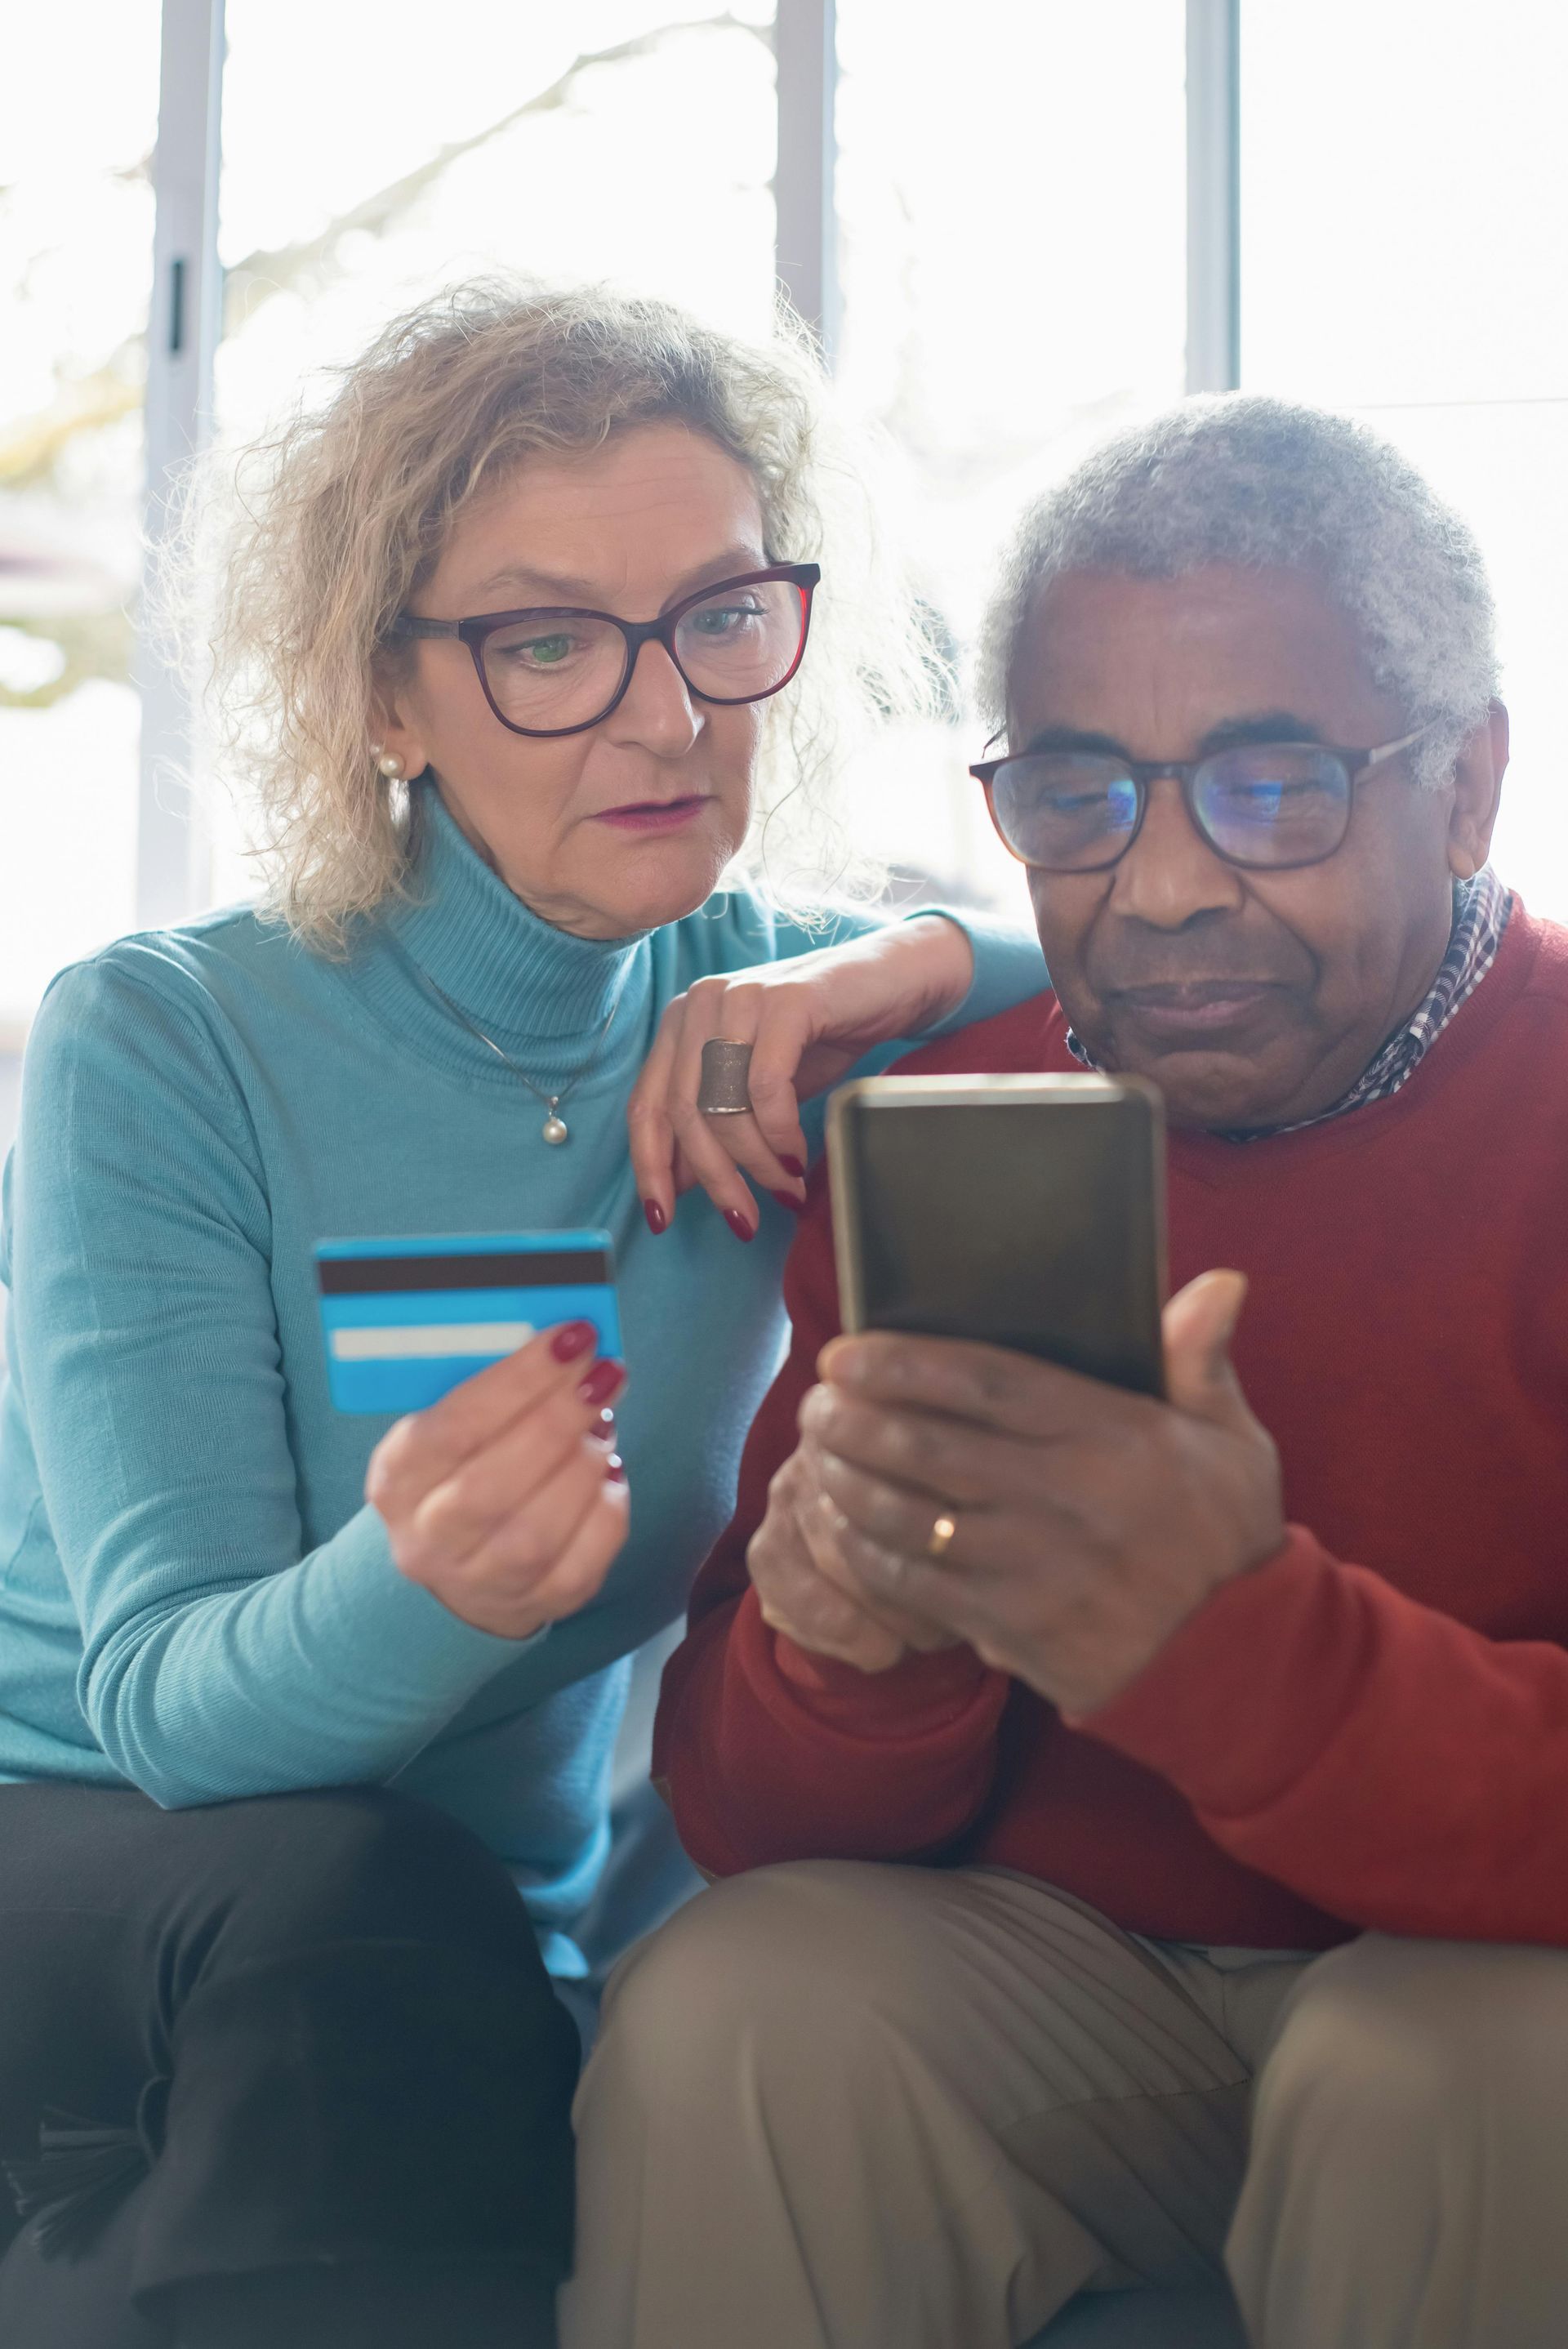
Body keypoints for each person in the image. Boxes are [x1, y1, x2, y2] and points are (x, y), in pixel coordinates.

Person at [0, 282, 1045, 2349]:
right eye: (548, 643)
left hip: (466, 1924)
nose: (667, 716)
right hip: (96, 1832)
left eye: (723, 614)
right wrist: (427, 1585)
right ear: (388, 695)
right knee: (368, 1920)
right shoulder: (169, 1033)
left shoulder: (769, 1004)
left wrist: (903, 966)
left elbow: (1127, 950)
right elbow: (169, 1709)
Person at [566, 396, 1568, 2349]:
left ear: (1464, 790)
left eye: (1273, 787)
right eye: (1082, 797)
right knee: (736, 2006)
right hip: (1066, 1987)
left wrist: (1226, 1639)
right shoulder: (954, 1121)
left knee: (1437, 2063)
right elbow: (748, 1808)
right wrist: (849, 1651)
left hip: (1479, 1988)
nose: (1167, 886)